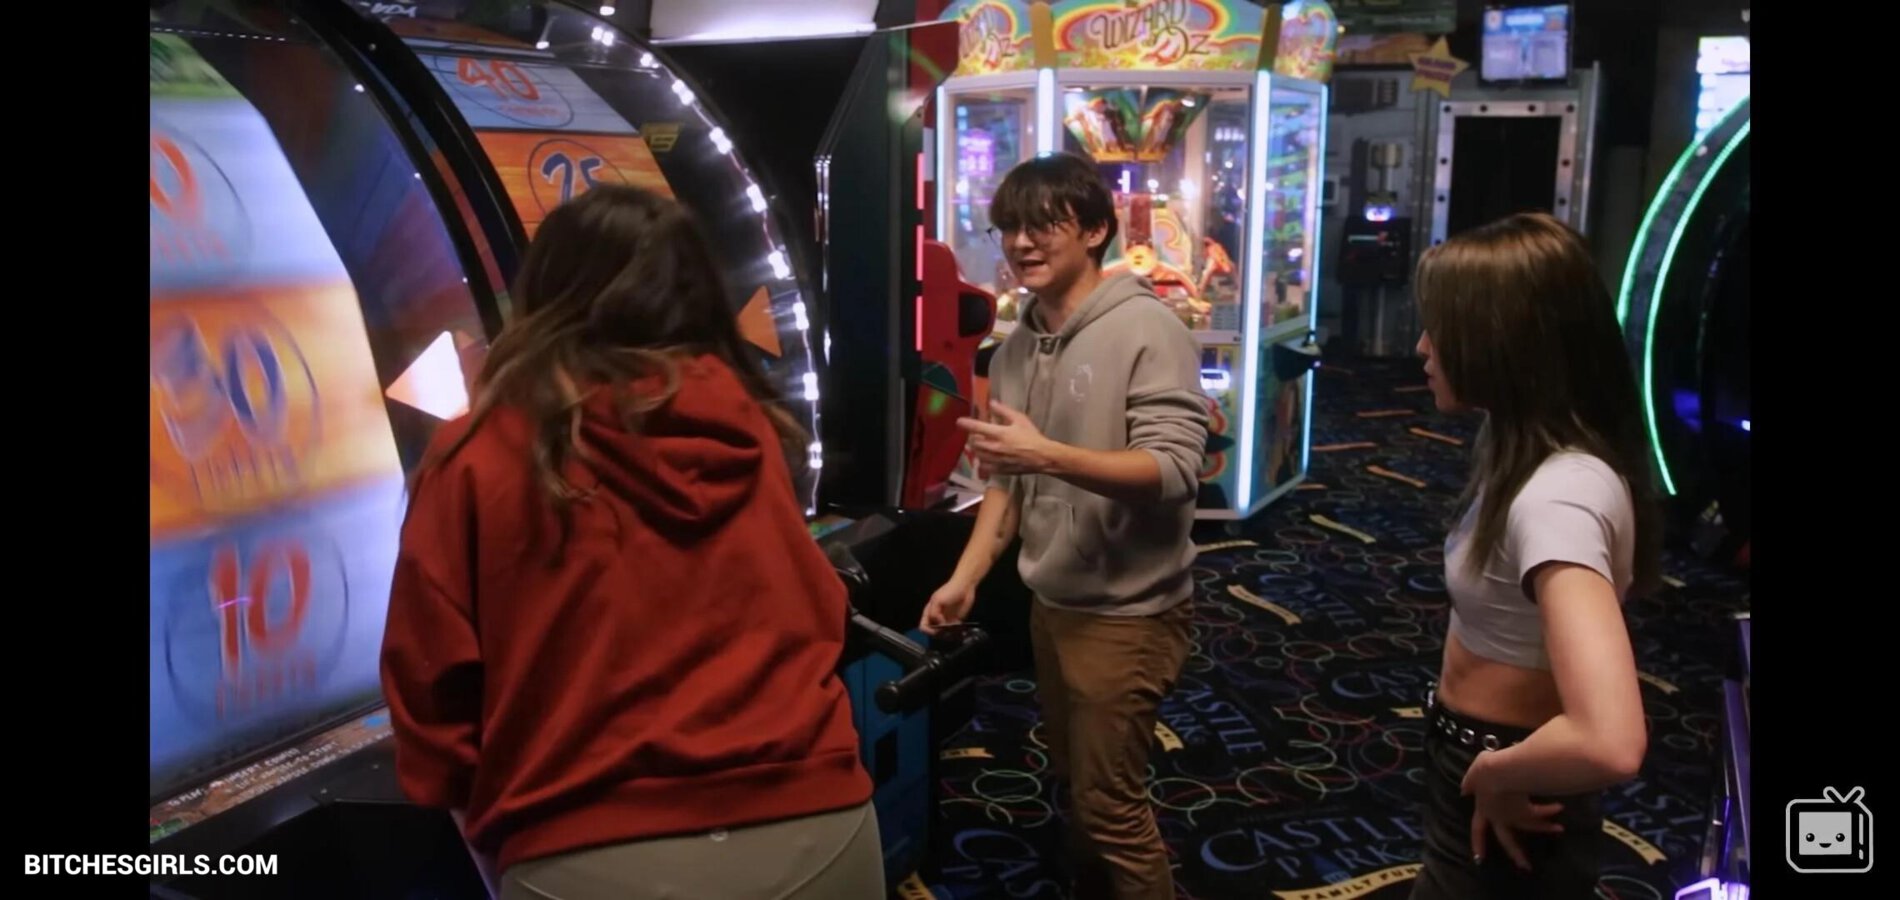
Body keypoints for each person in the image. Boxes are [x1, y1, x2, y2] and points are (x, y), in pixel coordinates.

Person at [379, 185, 881, 900]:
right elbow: (817, 610)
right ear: (698, 291)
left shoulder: (478, 451)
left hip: (587, 843)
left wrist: (495, 837)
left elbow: (430, 680)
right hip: (819, 821)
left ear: (545, 293)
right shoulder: (753, 427)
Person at [919, 152, 1209, 900]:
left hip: (1130, 614)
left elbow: (1174, 470)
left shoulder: (1147, 327)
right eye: (1010, 227)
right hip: (1052, 603)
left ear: (1094, 231)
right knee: (1075, 783)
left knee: (1111, 808)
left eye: (1044, 225)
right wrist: (964, 580)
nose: (1022, 243)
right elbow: (1008, 486)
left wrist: (1046, 454)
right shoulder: (1017, 346)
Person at [1407, 211, 1660, 899]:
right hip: (1491, 758)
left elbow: (1611, 740)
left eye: (1443, 329)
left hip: (1512, 774)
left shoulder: (1558, 495)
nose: (1424, 347)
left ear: (1501, 342)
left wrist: (1498, 770)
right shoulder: (1519, 441)